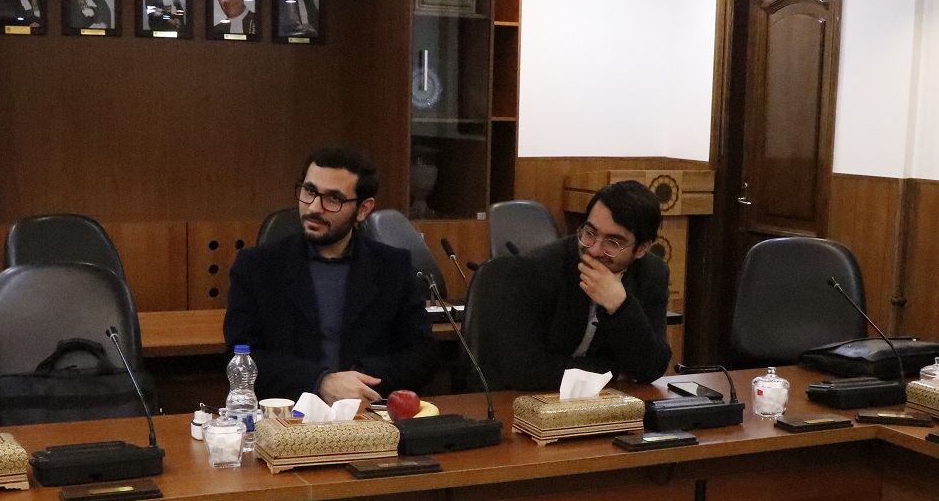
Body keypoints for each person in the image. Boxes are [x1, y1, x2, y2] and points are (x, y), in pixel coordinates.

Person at [224, 147, 437, 403]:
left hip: (369, 413)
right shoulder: (257, 267)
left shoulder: (393, 267)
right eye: (309, 191)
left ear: (363, 209)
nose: (314, 207)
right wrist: (320, 382)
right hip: (288, 415)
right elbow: (241, 359)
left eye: (334, 198)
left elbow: (422, 355)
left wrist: (359, 381)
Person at [479, 181, 671, 391]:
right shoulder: (534, 270)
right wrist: (612, 372)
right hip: (515, 399)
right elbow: (525, 370)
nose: (594, 250)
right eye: (590, 233)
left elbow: (651, 368)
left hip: (600, 402)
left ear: (641, 249)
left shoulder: (652, 274)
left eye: (612, 242)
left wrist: (620, 306)